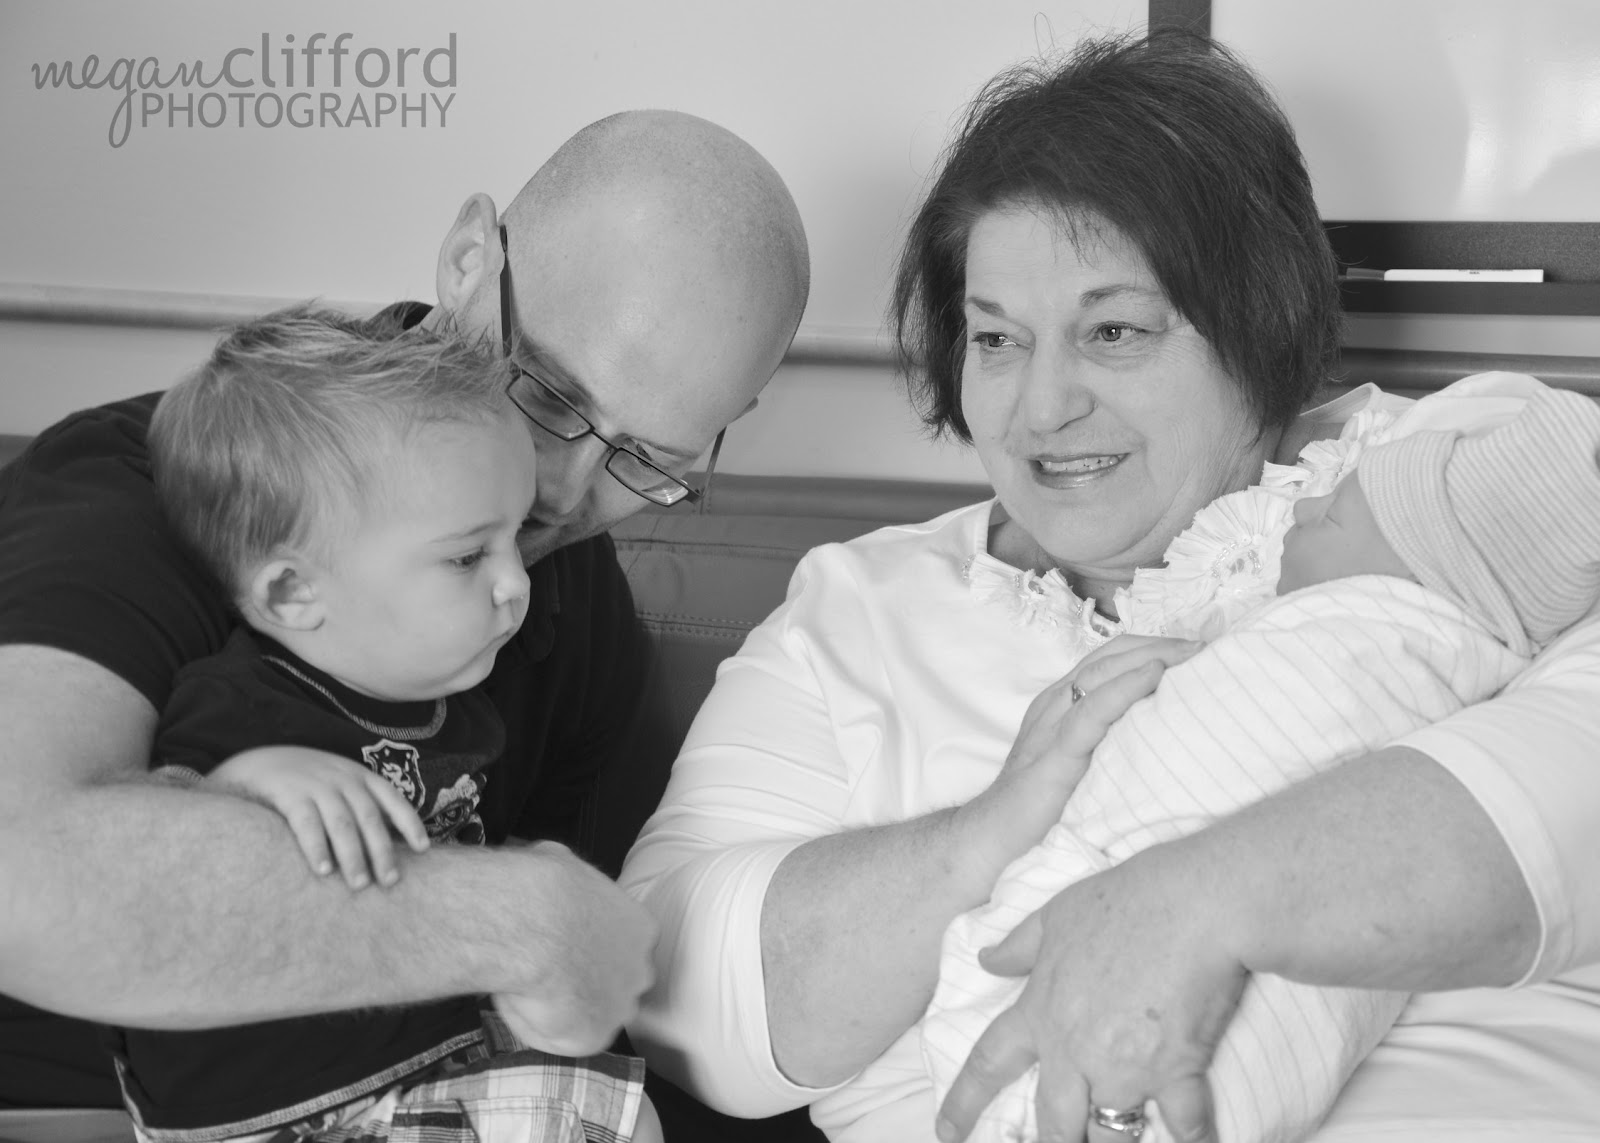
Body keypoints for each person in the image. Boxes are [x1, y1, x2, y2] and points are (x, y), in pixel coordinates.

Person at [619, 32, 1600, 1143]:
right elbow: (670, 994)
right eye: (997, 339)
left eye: (1115, 331)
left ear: (1260, 317)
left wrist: (1203, 897)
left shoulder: (1458, 497)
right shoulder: (857, 610)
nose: (1043, 407)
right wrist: (987, 834)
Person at [0, 108, 809, 1123]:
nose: (561, 492)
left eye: (647, 461)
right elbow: (20, 878)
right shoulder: (153, 486)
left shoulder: (573, 595)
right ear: (470, 260)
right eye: (549, 393)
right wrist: (520, 918)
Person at [923, 376, 1600, 1143]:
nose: (1303, 508)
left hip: (1171, 916)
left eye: (1334, 512)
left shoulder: (1377, 637)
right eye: (996, 340)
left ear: (1414, 574)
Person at [91, 306, 655, 1143]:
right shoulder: (244, 704)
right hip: (271, 1109)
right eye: (468, 555)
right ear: (293, 593)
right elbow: (139, 859)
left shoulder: (452, 703)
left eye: (513, 537)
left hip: (398, 1069)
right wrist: (248, 781)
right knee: (609, 1117)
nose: (516, 582)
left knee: (603, 1087)